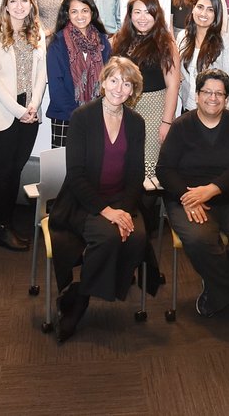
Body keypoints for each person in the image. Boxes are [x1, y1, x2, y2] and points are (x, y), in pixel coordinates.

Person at [47, 57, 147, 343]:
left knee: (138, 237)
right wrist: (107, 211)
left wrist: (123, 210)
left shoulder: (136, 122)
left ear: (133, 90)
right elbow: (76, 174)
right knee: (108, 237)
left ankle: (79, 291)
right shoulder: (83, 117)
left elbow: (136, 174)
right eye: (114, 80)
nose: (119, 88)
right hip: (83, 200)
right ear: (103, 83)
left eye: (127, 83)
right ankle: (81, 304)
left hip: (120, 199)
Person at [156, 68, 229, 319]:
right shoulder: (181, 126)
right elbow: (164, 169)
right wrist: (188, 197)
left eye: (220, 93)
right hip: (190, 198)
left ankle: (216, 282)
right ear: (196, 95)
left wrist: (213, 189)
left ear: (226, 99)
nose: (213, 98)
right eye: (207, 92)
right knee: (198, 239)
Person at [0, 0, 46, 251]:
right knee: (2, 171)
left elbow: (42, 73)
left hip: (30, 111)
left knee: (16, 170)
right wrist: (19, 110)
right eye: (14, 1)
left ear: (32, 4)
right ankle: (1, 227)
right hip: (2, 112)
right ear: (6, 4)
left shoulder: (37, 32)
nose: (20, 6)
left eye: (24, 1)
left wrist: (33, 105)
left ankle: (7, 222)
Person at [111, 0, 180, 177]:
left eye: (148, 12)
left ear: (156, 15)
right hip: (123, 110)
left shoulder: (166, 43)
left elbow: (173, 86)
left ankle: (147, 207)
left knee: (149, 169)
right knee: (124, 162)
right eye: (137, 12)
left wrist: (166, 122)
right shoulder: (120, 40)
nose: (142, 18)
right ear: (130, 15)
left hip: (155, 111)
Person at [47, 0, 112, 148]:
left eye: (84, 10)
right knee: (63, 167)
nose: (80, 16)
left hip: (97, 115)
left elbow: (108, 79)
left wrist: (96, 112)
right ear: (67, 14)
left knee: (92, 165)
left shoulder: (102, 40)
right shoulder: (58, 42)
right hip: (65, 116)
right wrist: (79, 116)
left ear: (92, 12)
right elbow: (56, 87)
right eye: (74, 11)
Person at [177, 0, 229, 112]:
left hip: (214, 111)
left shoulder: (225, 41)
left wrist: (226, 112)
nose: (204, 13)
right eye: (200, 7)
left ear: (217, 14)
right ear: (193, 8)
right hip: (187, 108)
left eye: (210, 10)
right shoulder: (183, 37)